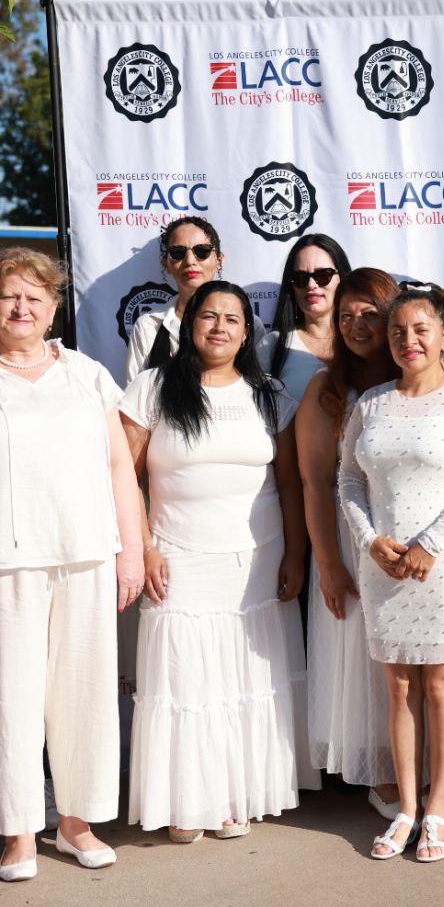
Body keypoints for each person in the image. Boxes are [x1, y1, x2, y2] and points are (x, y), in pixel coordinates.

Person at [122, 280, 319, 841]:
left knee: (241, 677)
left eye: (233, 319)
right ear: (189, 324)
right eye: (209, 316)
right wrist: (146, 547)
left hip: (257, 562)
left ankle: (232, 796)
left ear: (247, 331)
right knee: (186, 680)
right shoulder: (152, 387)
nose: (220, 328)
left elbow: (290, 483)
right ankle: (188, 804)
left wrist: (297, 556)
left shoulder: (270, 394)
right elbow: (125, 476)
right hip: (178, 558)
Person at [0, 249, 143, 881]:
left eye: (34, 296)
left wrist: (131, 551)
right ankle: (19, 833)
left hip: (86, 553)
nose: (21, 306)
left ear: (55, 307)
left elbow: (120, 468)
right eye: (9, 295)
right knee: (14, 700)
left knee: (83, 695)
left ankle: (77, 822)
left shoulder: (86, 376)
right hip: (10, 561)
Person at [339, 284, 444, 863]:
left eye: (422, 329)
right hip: (384, 566)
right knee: (399, 690)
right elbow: (348, 480)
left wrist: (430, 544)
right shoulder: (371, 403)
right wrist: (369, 539)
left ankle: (439, 807)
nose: (410, 340)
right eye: (399, 330)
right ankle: (406, 808)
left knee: (439, 689)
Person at [297, 269, 406, 817]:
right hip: (347, 540)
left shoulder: (425, 379)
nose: (357, 324)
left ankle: (419, 765)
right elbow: (315, 482)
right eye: (346, 315)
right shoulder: (326, 389)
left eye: (370, 313)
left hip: (419, 542)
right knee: (364, 658)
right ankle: (378, 771)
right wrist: (329, 563)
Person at [124, 216, 265, 386]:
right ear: (166, 264)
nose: (190, 261)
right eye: (177, 252)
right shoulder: (148, 326)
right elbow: (134, 398)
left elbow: (261, 392)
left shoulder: (249, 325)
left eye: (202, 251)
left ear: (219, 260)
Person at [257, 234, 352, 403]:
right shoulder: (271, 346)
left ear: (342, 278)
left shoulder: (363, 339)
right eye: (300, 278)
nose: (311, 285)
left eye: (323, 275)